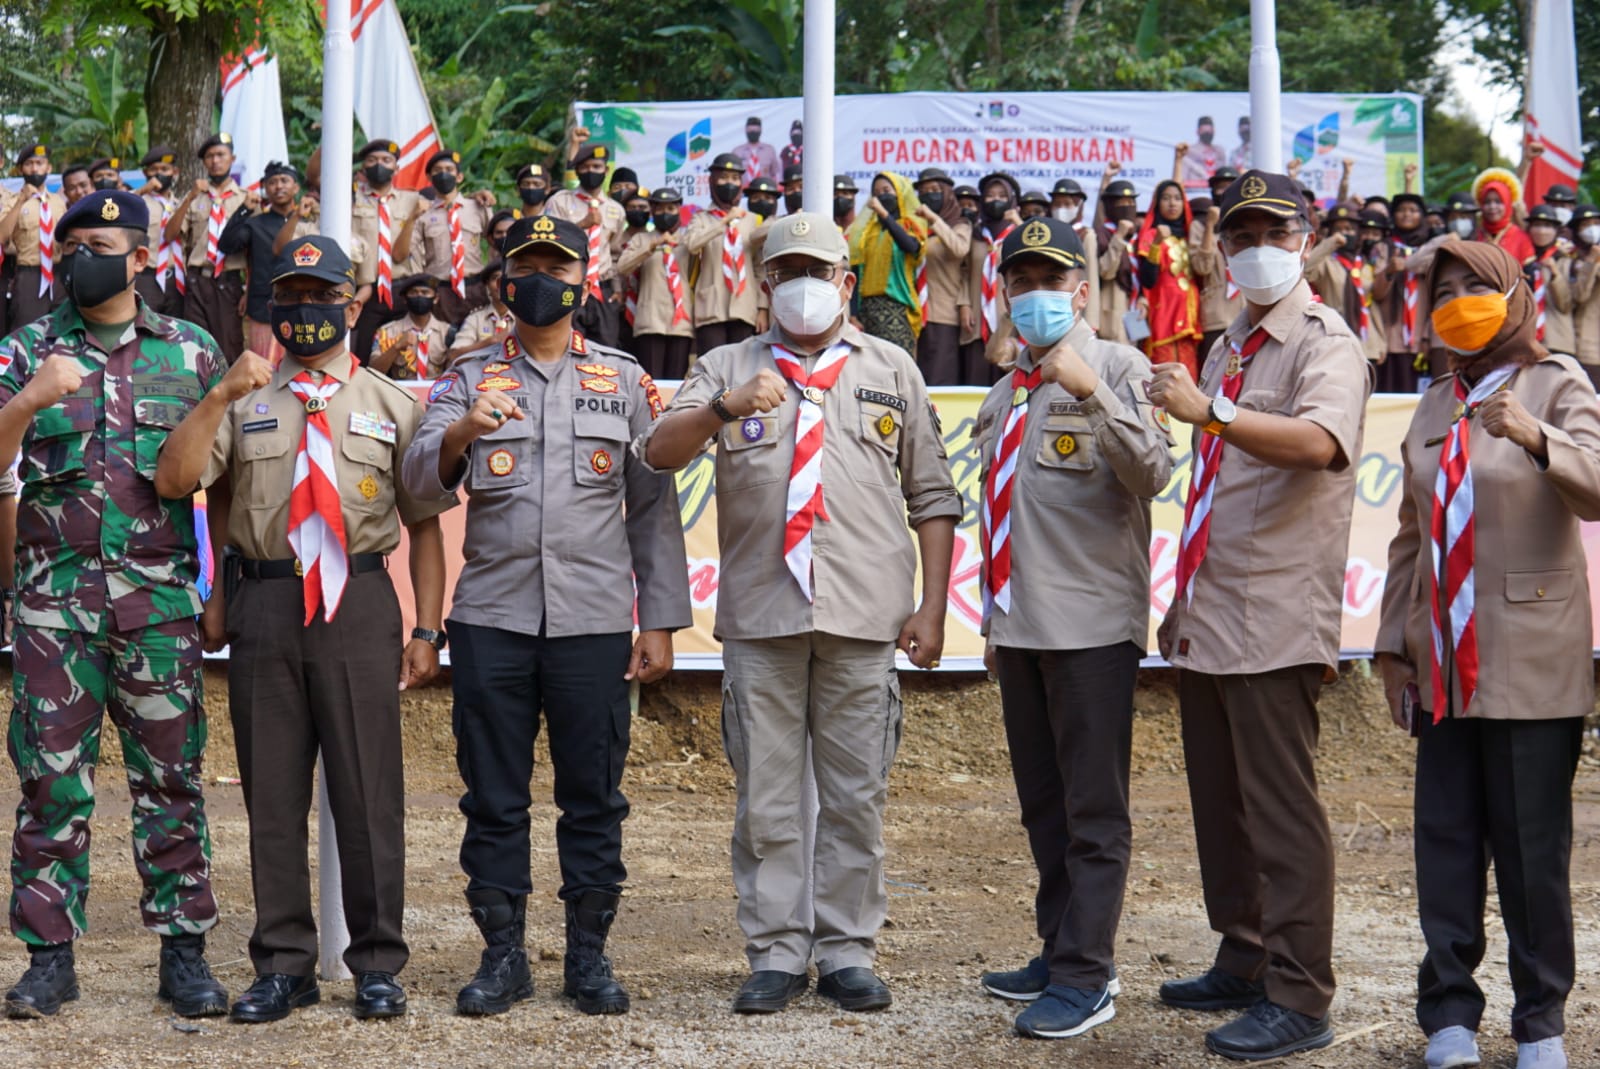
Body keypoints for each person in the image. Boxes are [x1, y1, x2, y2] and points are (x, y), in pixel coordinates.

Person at [641, 211, 960, 1016]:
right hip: (762, 617)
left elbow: (932, 495)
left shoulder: (893, 368)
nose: (806, 285)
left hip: (864, 617)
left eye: (821, 270)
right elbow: (659, 450)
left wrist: (931, 604)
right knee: (767, 798)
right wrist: (724, 408)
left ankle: (848, 949)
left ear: (847, 284)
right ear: (766, 284)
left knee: (856, 796)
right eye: (789, 272)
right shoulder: (724, 364)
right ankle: (778, 950)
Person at [154, 233, 452, 1024]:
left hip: (358, 603)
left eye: (323, 295)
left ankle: (378, 961)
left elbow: (423, 524)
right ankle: (283, 963)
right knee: (272, 795)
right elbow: (187, 482)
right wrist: (218, 394)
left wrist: (428, 626)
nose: (307, 310)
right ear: (273, 307)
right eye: (291, 295)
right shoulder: (247, 399)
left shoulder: (394, 404)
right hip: (267, 602)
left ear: (353, 304)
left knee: (367, 791)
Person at [401, 213, 691, 1018]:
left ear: (582, 281)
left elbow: (651, 508)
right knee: (493, 796)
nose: (541, 279)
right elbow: (419, 489)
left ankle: (588, 958)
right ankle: (503, 956)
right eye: (525, 264)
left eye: (555, 265)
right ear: (503, 283)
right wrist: (463, 428)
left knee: (593, 796)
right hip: (492, 618)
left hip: (594, 623)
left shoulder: (626, 380)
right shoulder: (464, 377)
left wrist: (659, 617)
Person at [1146, 170, 1371, 1062]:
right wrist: (1182, 596)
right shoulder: (1228, 344)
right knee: (1222, 803)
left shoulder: (1327, 343)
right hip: (1214, 607)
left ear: (1306, 238)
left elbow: (1320, 445)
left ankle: (1300, 991)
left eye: (1273, 232)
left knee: (1280, 808)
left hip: (1277, 610)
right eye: (1239, 236)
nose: (1255, 249)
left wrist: (1216, 411)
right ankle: (1243, 955)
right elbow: (1214, 483)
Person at [0, 190, 228, 1019]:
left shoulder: (192, 352)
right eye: (70, 246)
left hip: (158, 606)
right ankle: (49, 958)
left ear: (141, 256)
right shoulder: (24, 349)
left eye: (98, 243)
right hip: (52, 609)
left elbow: (221, 479)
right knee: (49, 783)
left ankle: (184, 954)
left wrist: (219, 588)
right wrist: (29, 400)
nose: (78, 258)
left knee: (171, 781)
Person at [1375, 239, 1600, 1069]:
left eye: (1478, 284)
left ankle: (1540, 1022)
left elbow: (1599, 487)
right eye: (1445, 288)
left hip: (1532, 657)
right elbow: (1410, 533)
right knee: (1446, 841)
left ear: (1515, 296)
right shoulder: (1436, 401)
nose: (1460, 298)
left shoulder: (1557, 383)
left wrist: (1536, 435)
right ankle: (1449, 1016)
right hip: (1441, 659)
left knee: (1532, 851)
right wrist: (1391, 645)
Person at [973, 217, 1173, 1040]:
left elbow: (1153, 470)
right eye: (1021, 283)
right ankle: (1061, 948)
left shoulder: (1118, 365)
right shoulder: (1006, 386)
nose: (1035, 296)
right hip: (1021, 627)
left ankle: (1089, 974)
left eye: (1051, 282)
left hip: (1091, 628)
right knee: (1043, 804)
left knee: (1094, 809)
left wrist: (1092, 390)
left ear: (1082, 292)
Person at [167, 133, 247, 362]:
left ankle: (230, 396)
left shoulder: (245, 199)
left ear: (232, 158)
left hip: (228, 282)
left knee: (229, 346)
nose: (215, 161)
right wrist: (190, 196)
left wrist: (248, 289)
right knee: (195, 345)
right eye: (209, 156)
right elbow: (170, 233)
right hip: (197, 281)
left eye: (220, 154)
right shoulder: (195, 197)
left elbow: (253, 250)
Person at [218, 160, 304, 363]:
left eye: (284, 180)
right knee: (264, 371)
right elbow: (227, 245)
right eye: (273, 182)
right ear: (265, 188)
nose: (279, 186)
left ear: (296, 187)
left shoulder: (308, 220)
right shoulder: (256, 223)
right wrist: (243, 210)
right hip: (264, 308)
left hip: (302, 306)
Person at [545, 143, 629, 349]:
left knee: (606, 349)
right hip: (568, 285)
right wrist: (581, 225)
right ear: (577, 171)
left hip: (603, 288)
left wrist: (617, 289)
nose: (591, 172)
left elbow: (616, 253)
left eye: (596, 167)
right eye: (585, 167)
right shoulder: (560, 202)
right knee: (567, 347)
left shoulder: (615, 210)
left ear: (606, 170)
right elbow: (547, 241)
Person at [349, 138, 425, 361]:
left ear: (396, 167)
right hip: (368, 289)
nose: (379, 165)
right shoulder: (351, 201)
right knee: (363, 354)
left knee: (407, 355)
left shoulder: (413, 199)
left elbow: (445, 203)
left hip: (404, 289)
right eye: (372, 160)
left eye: (386, 160)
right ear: (364, 167)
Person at [616, 189, 695, 380]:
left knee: (676, 382)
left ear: (679, 210)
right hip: (650, 320)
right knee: (650, 381)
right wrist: (652, 246)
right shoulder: (641, 239)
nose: (665, 213)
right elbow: (623, 267)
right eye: (659, 209)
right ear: (652, 211)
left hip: (681, 321)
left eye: (671, 208)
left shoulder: (689, 241)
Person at [685, 154, 759, 353]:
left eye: (735, 178)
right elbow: (692, 244)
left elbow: (760, 267)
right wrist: (723, 223)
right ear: (712, 180)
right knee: (712, 368)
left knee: (743, 370)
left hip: (745, 307)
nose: (730, 183)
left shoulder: (752, 219)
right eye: (724, 177)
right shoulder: (700, 219)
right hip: (711, 307)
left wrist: (763, 308)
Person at [417, 149, 496, 327]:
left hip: (475, 288)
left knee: (477, 343)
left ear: (459, 177)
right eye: (437, 170)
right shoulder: (423, 214)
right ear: (429, 178)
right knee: (445, 345)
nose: (443, 174)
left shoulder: (478, 207)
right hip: (441, 291)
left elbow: (494, 241)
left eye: (449, 169)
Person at [849, 172, 927, 353]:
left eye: (887, 190)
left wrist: (884, 214)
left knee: (895, 364)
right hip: (867, 310)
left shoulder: (909, 224)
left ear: (899, 193)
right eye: (876, 192)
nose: (881, 196)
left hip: (897, 305)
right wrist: (853, 313)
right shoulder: (868, 231)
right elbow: (857, 270)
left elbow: (911, 246)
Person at [1379, 191, 1449, 393]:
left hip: (1423, 336)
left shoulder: (1430, 248)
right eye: (1401, 210)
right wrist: (1389, 272)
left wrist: (1427, 335)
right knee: (1392, 395)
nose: (1406, 214)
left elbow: (1438, 291)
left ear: (1423, 216)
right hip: (1392, 338)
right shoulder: (1385, 247)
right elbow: (1378, 293)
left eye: (1413, 210)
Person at [1304, 205, 1387, 366]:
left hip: (1367, 342)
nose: (1345, 233)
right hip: (1335, 338)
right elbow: (1304, 270)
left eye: (1349, 229)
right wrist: (1331, 243)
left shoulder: (1365, 263)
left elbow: (1372, 305)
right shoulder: (1326, 263)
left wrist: (1381, 341)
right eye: (1338, 229)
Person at [1135, 178, 1202, 378]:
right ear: (1157, 203)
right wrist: (1156, 243)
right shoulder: (1152, 234)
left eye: (1177, 198)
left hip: (1190, 313)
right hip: (1162, 312)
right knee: (1164, 371)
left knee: (1190, 373)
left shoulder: (1189, 236)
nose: (1172, 203)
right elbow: (1148, 279)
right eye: (1166, 198)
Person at [912, 167, 973, 385]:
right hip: (913, 314)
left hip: (942, 315)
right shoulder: (913, 227)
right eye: (924, 191)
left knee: (940, 380)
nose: (929, 195)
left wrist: (933, 220)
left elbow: (958, 249)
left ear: (947, 194)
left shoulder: (960, 225)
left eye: (935, 190)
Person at [1, 144, 68, 328]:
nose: (35, 168)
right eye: (29, 163)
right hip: (29, 275)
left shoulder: (58, 203)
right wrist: (22, 200)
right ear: (21, 169)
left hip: (58, 274)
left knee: (60, 331)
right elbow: (2, 237)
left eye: (40, 163)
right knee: (26, 332)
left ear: (49, 168)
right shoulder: (13, 201)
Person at [964, 171, 1023, 379]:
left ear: (1011, 200)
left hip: (1007, 313)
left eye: (1001, 195)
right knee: (976, 371)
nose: (995, 200)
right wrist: (964, 305)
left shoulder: (1018, 233)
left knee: (1006, 370)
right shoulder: (977, 234)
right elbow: (965, 271)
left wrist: (1018, 222)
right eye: (990, 195)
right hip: (977, 313)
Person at [133, 145, 186, 317]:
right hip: (148, 278)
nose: (159, 174)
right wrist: (143, 190)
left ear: (175, 172)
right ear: (146, 174)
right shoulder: (139, 201)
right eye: (153, 169)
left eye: (165, 169)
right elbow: (117, 209)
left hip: (176, 279)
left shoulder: (180, 204)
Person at [372, 276, 453, 379]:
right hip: (401, 391)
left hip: (437, 392)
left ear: (436, 298)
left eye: (425, 292)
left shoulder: (447, 332)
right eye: (413, 292)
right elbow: (374, 371)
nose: (419, 296)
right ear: (405, 299)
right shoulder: (388, 331)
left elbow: (455, 371)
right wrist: (396, 347)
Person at [1048, 177, 1102, 331]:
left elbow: (1090, 275)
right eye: (1057, 204)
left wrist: (1091, 320)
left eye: (1067, 204)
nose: (1061, 209)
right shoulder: (1049, 234)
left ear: (1078, 206)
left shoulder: (1085, 235)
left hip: (1076, 307)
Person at [1190, 201, 1242, 361]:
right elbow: (1202, 267)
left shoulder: (1240, 225)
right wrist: (1209, 225)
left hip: (1243, 314)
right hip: (1215, 317)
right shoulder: (1199, 226)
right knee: (1213, 375)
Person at [1095, 167, 1140, 346]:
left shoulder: (1137, 237)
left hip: (1135, 308)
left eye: (1130, 203)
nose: (1126, 208)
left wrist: (1142, 296)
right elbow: (1105, 270)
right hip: (1112, 310)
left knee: (1136, 354)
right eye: (1121, 204)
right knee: (1116, 358)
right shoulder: (1103, 234)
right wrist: (1119, 237)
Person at [1526, 205, 1576, 358]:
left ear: (1556, 231)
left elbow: (1565, 304)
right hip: (1527, 341)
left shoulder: (1566, 261)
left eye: (1547, 226)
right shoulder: (1523, 260)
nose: (1542, 231)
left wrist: (1555, 274)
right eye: (1537, 225)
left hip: (1557, 342)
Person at [447, 259, 515, 366]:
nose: (500, 283)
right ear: (487, 285)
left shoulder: (524, 318)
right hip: (481, 378)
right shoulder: (475, 319)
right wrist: (490, 342)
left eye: (506, 278)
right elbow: (454, 356)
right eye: (495, 278)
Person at [1473, 169, 1534, 263]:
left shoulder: (1521, 238)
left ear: (1508, 203)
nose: (1492, 207)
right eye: (1487, 202)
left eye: (1498, 201)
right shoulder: (1473, 236)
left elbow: (1531, 276)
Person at [1572, 205, 1600, 388]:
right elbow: (1579, 296)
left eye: (1596, 223)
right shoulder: (1571, 259)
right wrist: (1591, 262)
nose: (1592, 228)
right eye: (1585, 225)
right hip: (1588, 348)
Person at [1179, 116, 1225, 194]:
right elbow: (1182, 180)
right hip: (1196, 192)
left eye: (1210, 131)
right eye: (1204, 131)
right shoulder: (1190, 151)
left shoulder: (1219, 151)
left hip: (1217, 193)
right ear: (1198, 132)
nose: (1207, 134)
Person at [733, 116, 781, 182]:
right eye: (750, 130)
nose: (753, 132)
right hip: (743, 189)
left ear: (760, 130)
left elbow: (775, 173)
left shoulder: (769, 150)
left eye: (756, 130)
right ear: (746, 130)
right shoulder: (737, 151)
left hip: (765, 189)